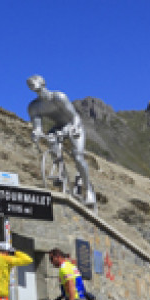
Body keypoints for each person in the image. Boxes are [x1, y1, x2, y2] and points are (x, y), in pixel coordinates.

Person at [27, 74, 96, 207]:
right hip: (58, 127)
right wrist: (36, 134)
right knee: (52, 144)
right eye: (29, 84)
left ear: (42, 82)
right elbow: (38, 128)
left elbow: (75, 117)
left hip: (74, 125)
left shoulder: (58, 97)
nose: (31, 84)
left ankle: (87, 190)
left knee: (77, 156)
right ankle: (62, 177)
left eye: (33, 81)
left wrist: (71, 128)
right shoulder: (33, 107)